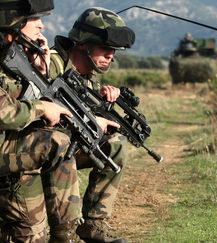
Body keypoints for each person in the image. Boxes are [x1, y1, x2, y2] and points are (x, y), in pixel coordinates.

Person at [0, 0, 84, 241]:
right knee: (56, 141)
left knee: (32, 238)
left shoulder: (3, 50)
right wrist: (40, 107)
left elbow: (13, 94)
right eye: (35, 19)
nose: (42, 26)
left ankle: (66, 236)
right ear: (12, 21)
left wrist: (39, 70)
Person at [48, 7, 135, 242]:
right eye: (106, 49)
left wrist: (104, 103)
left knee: (115, 144)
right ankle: (63, 231)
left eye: (114, 51)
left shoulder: (88, 77)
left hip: (66, 146)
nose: (111, 56)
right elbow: (41, 110)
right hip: (45, 148)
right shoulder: (50, 63)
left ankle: (94, 225)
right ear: (83, 44)